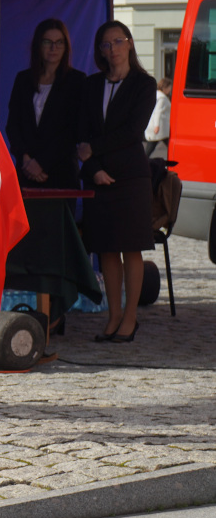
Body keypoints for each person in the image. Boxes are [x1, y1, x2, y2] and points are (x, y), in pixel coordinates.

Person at [77, 20, 157, 343]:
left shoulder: (144, 84)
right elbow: (82, 133)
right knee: (106, 249)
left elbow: (133, 131)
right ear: (100, 51)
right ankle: (113, 316)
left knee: (130, 249)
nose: (112, 49)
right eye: (106, 44)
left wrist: (94, 149)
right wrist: (93, 167)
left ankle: (130, 318)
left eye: (118, 41)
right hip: (98, 178)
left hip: (131, 178)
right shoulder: (91, 85)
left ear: (130, 43)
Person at [6, 18, 86, 189]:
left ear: (66, 46)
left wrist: (41, 163)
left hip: (61, 174)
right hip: (26, 171)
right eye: (47, 42)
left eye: (59, 42)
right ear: (38, 45)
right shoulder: (23, 79)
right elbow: (13, 125)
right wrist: (25, 159)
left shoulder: (77, 81)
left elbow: (72, 131)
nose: (53, 48)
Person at [145, 75, 173, 158]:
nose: (170, 89)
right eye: (169, 87)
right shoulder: (162, 98)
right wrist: (157, 126)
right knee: (151, 147)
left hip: (159, 128)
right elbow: (158, 112)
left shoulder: (156, 95)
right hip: (160, 128)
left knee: (153, 146)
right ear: (165, 87)